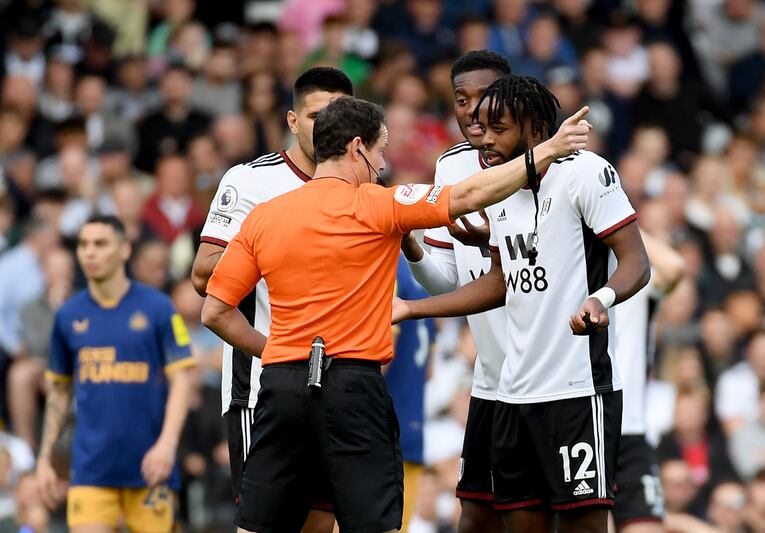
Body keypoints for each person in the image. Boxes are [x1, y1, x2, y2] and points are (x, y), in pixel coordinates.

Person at [200, 95, 592, 532]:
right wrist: (548, 150)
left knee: (256, 525)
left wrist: (275, 350)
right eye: (381, 151)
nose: (382, 165)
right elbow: (469, 193)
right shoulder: (378, 204)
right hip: (351, 385)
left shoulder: (263, 217)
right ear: (356, 148)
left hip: (280, 388)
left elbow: (215, 311)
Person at [392, 75, 650, 533]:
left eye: (499, 127)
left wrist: (600, 298)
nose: (484, 138)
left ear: (534, 131)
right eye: (482, 126)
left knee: (585, 527)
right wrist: (413, 310)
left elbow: (636, 262)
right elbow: (500, 282)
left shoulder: (586, 172)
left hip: (575, 390)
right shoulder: (499, 187)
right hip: (511, 395)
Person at [190, 67, 354, 530]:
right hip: (260, 384)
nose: (327, 126)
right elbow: (203, 274)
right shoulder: (250, 181)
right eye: (316, 114)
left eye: (338, 115)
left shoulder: (361, 185)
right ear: (292, 120)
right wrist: (285, 254)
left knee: (322, 521)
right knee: (267, 523)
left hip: (335, 384)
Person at [400, 49, 512, 533]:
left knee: (554, 517)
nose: (470, 110)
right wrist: (413, 246)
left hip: (556, 379)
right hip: (490, 378)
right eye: (460, 99)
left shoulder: (555, 163)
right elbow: (449, 276)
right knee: (476, 515)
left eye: (483, 97)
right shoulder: (450, 168)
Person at [35, 215, 195, 533]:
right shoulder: (68, 315)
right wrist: (45, 457)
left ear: (124, 250)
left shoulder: (158, 308)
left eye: (100, 243)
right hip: (91, 469)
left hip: (150, 468)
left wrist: (166, 445)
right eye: (83, 245)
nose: (89, 253)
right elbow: (60, 390)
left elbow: (182, 380)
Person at [612, 233, 686, 533]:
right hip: (581, 430)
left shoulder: (636, 281)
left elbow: (674, 267)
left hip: (630, 433)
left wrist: (618, 220)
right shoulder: (569, 278)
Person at [384, 257, 436, 531]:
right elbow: (429, 370)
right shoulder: (420, 274)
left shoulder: (386, 266)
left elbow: (382, 354)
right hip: (412, 429)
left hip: (380, 434)